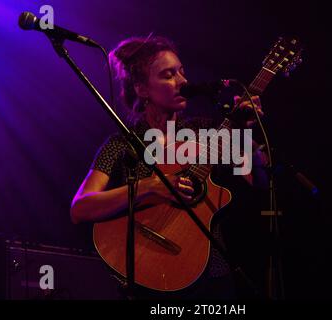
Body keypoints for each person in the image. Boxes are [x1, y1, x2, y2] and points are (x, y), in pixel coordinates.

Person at [70, 35, 268, 299]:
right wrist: (149, 187)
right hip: (147, 273)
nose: (183, 81)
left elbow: (257, 181)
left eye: (182, 72)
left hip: (211, 275)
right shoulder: (123, 144)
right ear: (142, 89)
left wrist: (245, 134)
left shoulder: (206, 132)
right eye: (168, 75)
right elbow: (80, 208)